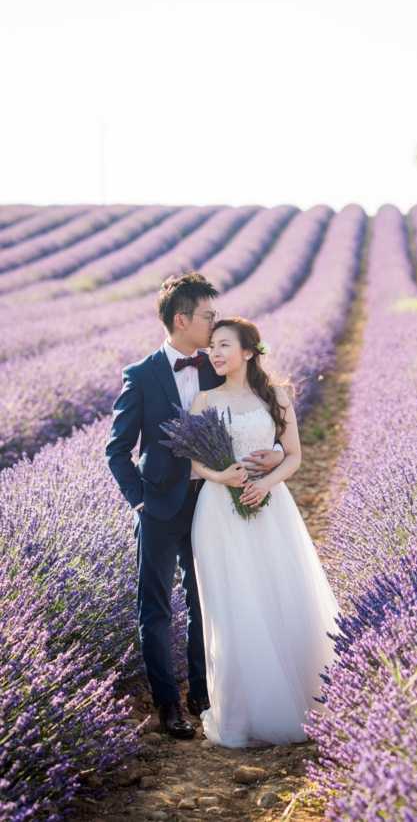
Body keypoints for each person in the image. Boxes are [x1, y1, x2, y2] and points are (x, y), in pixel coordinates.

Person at [105, 273, 285, 739]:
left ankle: (203, 693)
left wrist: (280, 453)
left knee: (207, 599)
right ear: (181, 319)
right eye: (206, 316)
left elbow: (259, 411)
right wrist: (140, 502)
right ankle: (168, 705)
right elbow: (117, 450)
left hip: (212, 502)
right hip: (160, 507)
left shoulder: (214, 365)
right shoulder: (141, 376)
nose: (213, 323)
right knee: (156, 607)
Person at [188, 317, 341, 748]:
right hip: (218, 511)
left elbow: (293, 456)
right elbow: (193, 463)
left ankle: (294, 704)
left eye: (223, 346)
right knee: (232, 604)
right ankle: (243, 712)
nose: (215, 354)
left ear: (249, 352)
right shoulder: (204, 400)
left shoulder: (276, 396)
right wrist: (222, 476)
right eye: (212, 347)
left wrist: (266, 481)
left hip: (271, 506)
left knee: (279, 591)